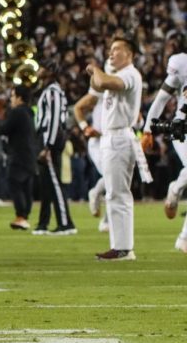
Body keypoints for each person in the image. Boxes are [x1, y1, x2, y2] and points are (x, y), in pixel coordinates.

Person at [74, 37, 144, 261]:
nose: (111, 54)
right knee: (114, 193)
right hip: (111, 137)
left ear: (130, 54)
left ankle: (123, 248)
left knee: (119, 194)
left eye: (117, 50)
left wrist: (95, 68)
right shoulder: (117, 74)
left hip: (120, 136)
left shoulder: (129, 74)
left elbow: (102, 83)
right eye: (110, 50)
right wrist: (98, 73)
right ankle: (120, 246)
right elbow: (96, 86)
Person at [140, 49, 187, 252]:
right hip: (183, 130)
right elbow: (161, 98)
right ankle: (175, 190)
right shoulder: (182, 63)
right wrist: (148, 129)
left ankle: (184, 237)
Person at [0, 85, 39, 231]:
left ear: (19, 97)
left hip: (19, 155)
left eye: (12, 96)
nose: (11, 99)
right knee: (26, 187)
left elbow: (5, 129)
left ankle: (21, 216)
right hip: (31, 155)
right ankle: (24, 217)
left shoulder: (17, 111)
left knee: (14, 183)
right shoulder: (30, 112)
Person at [34, 66, 74, 235]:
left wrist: (48, 146)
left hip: (48, 139)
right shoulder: (49, 91)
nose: (38, 72)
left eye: (41, 69)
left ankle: (65, 224)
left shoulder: (53, 92)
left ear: (50, 72)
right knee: (47, 184)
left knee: (55, 183)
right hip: (46, 138)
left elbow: (55, 120)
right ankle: (43, 223)